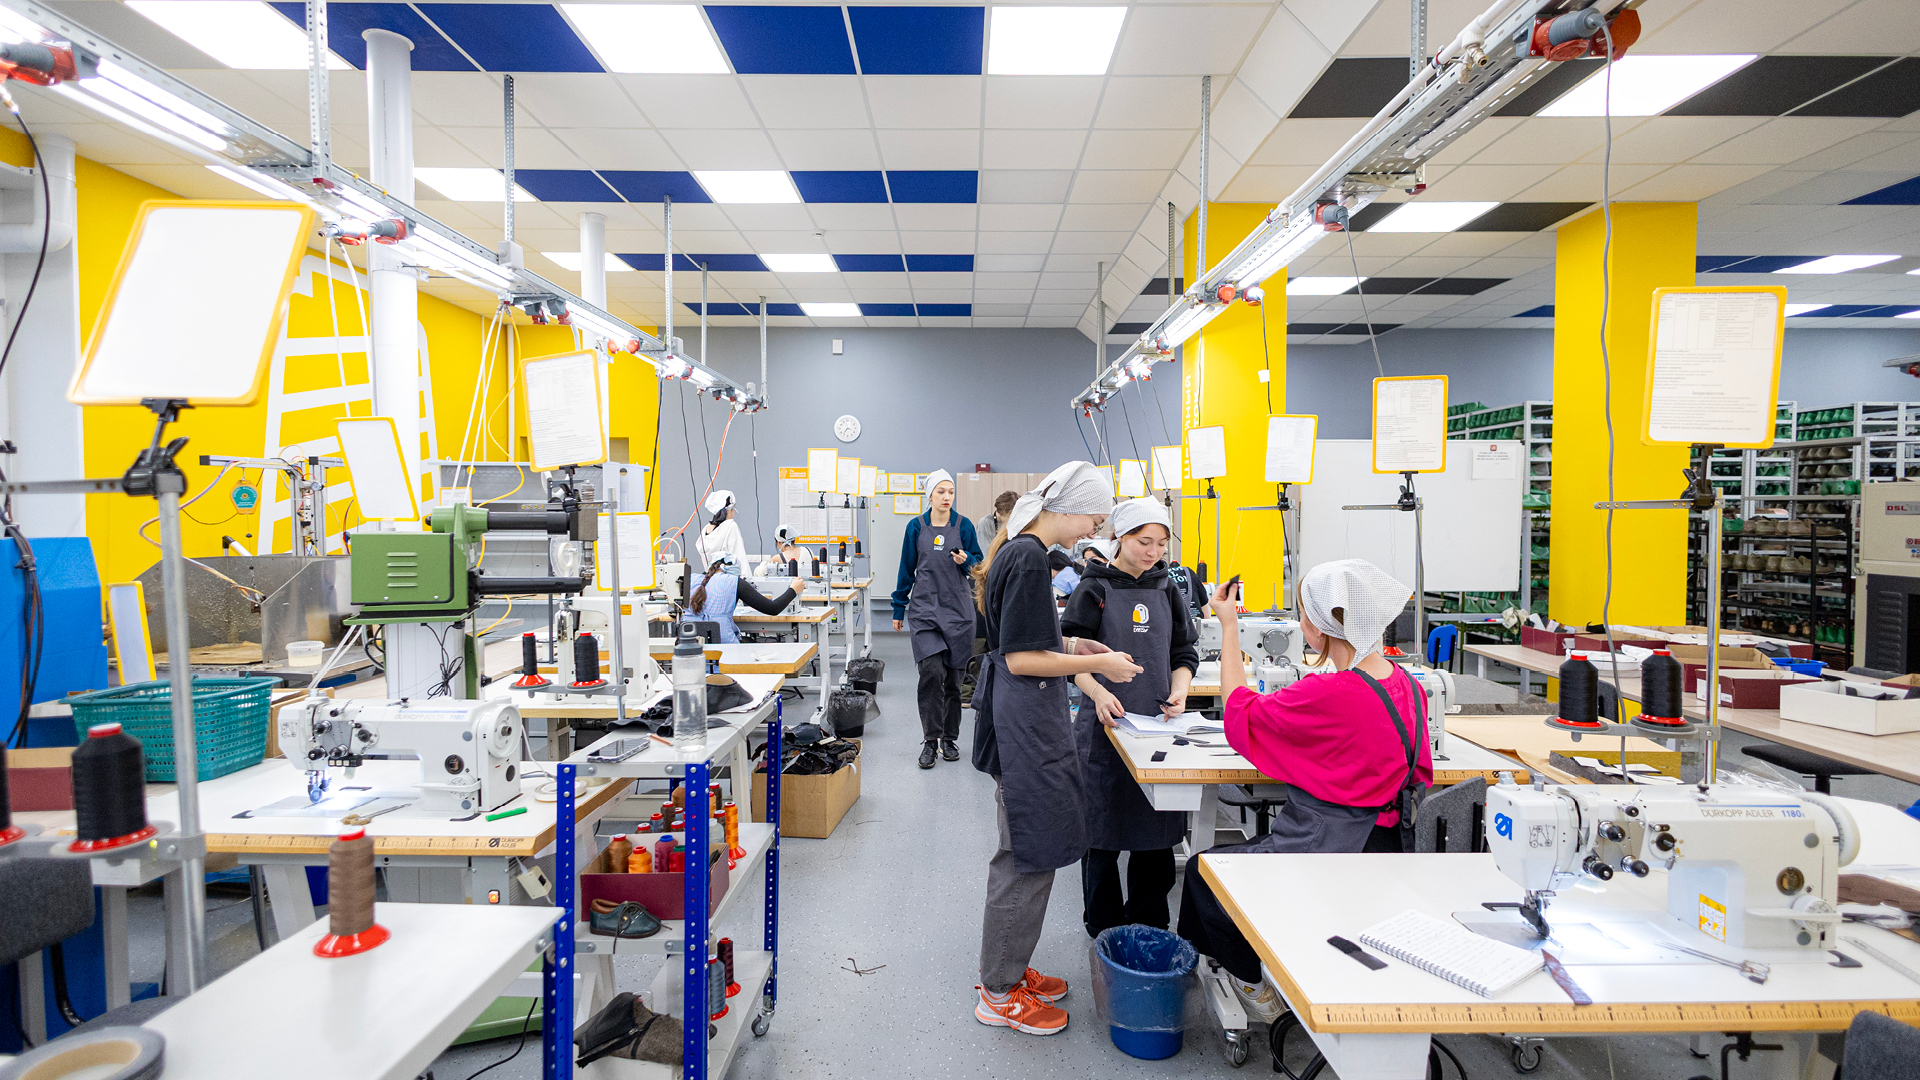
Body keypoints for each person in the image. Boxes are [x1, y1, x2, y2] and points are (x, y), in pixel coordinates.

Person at [1175, 559, 1432, 1024]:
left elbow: (1239, 714)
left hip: (1326, 854)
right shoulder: (1409, 687)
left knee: (1203, 874)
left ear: (1316, 627)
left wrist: (1229, 627)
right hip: (1389, 852)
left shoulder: (1328, 694)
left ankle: (1254, 988)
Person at [971, 462, 1141, 1037]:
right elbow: (1021, 659)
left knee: (1030, 850)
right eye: (1095, 516)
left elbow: (1021, 638)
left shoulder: (1025, 552)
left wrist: (1072, 643)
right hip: (1023, 722)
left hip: (1025, 717)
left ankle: (1008, 969)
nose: (1097, 527)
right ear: (1067, 507)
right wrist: (1101, 662)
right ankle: (998, 992)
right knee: (1027, 854)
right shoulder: (1026, 557)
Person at [1060, 498, 1197, 937]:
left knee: (1155, 835)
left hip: (1156, 729)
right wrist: (1099, 692)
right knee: (1100, 835)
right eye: (1144, 542)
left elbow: (1183, 652)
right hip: (1105, 728)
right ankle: (1103, 926)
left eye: (1161, 544)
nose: (1153, 552)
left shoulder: (1166, 588)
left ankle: (1148, 925)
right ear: (1120, 537)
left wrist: (1180, 689)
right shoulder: (1094, 588)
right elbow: (1070, 658)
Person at [890, 471, 984, 769]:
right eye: (941, 491)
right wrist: (898, 607)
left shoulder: (964, 525)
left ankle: (949, 738)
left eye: (950, 492)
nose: (946, 497)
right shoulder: (915, 527)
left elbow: (979, 564)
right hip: (925, 611)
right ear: (929, 494)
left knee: (954, 681)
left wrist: (967, 560)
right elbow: (906, 569)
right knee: (931, 673)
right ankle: (931, 740)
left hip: (958, 613)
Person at [688, 553, 799, 643]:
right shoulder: (734, 581)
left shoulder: (691, 579)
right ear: (733, 572)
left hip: (690, 645)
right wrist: (793, 589)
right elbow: (773, 608)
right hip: (724, 649)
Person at [697, 490, 750, 572]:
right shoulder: (730, 526)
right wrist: (746, 577)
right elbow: (739, 557)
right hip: (728, 578)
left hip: (710, 578)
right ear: (730, 509)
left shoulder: (705, 530)